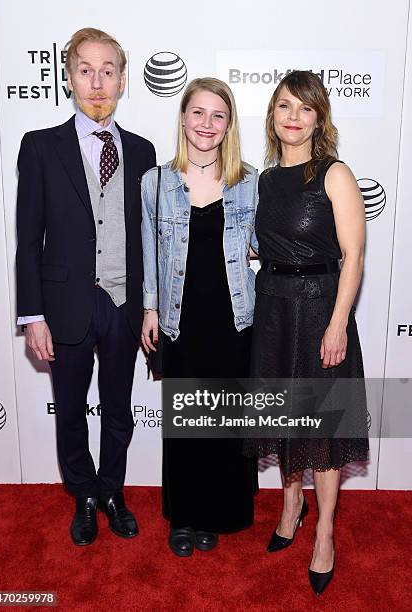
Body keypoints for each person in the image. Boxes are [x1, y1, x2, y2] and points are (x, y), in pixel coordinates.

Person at [16, 28, 156, 546]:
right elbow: (27, 240)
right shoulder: (40, 147)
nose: (97, 82)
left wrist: (150, 306)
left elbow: (148, 236)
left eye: (108, 71)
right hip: (64, 305)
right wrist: (32, 315)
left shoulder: (142, 151)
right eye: (85, 70)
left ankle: (113, 490)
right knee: (70, 410)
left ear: (122, 79)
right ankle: (84, 495)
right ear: (68, 77)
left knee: (119, 409)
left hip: (123, 304)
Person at [245, 71, 369, 594]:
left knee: (322, 429)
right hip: (272, 309)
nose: (293, 117)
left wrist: (339, 322)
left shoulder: (333, 174)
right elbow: (263, 242)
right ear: (272, 116)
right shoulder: (264, 180)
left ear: (320, 118)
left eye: (304, 108)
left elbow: (353, 255)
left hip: (320, 311)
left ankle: (324, 531)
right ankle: (291, 503)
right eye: (283, 107)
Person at [141, 78, 258, 557]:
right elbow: (149, 249)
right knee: (186, 422)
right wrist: (149, 307)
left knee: (225, 422)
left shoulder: (250, 181)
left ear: (229, 124)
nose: (206, 124)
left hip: (233, 320)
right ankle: (184, 518)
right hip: (179, 320)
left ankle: (218, 513)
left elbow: (266, 246)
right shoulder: (157, 181)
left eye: (218, 115)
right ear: (183, 118)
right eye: (198, 113)